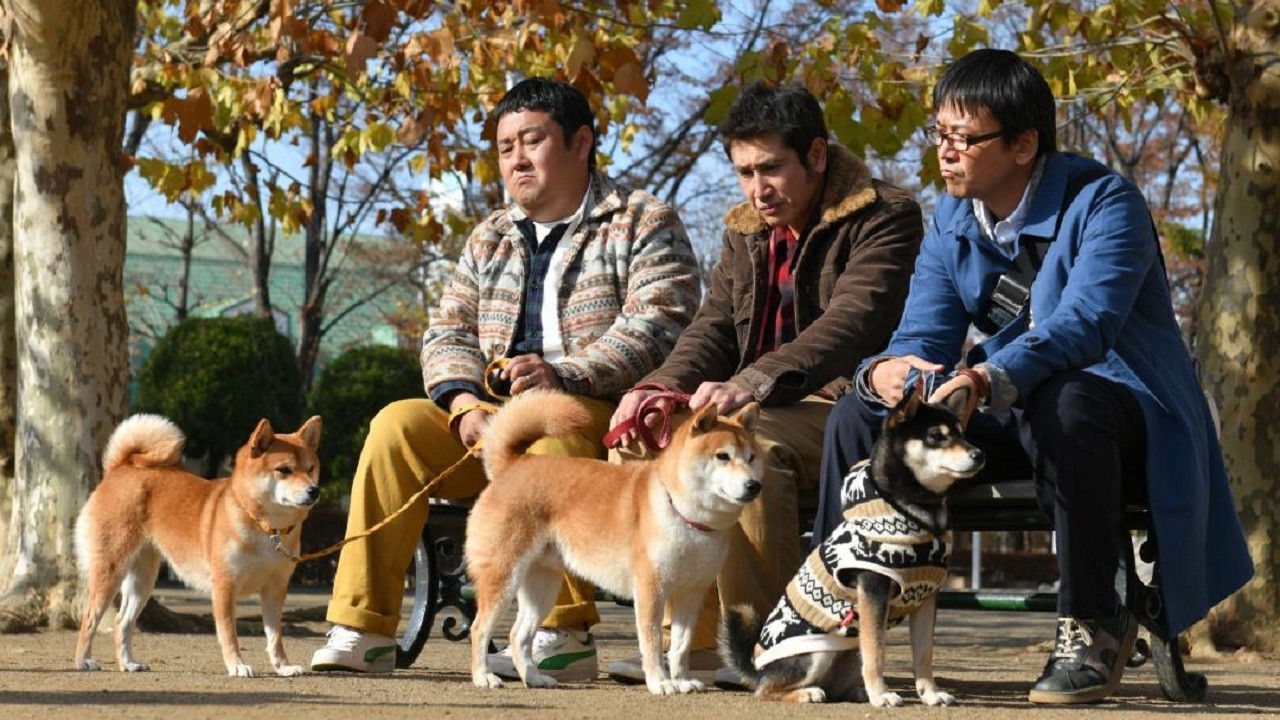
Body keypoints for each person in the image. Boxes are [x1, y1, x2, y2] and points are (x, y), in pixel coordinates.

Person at [815, 49, 1253, 704]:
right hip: (1018, 409)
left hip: (1128, 416)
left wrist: (985, 379)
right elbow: (921, 340)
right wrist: (882, 374)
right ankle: (838, 620)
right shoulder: (952, 221)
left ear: (1023, 144)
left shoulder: (1106, 202)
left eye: (964, 138)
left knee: (1068, 399)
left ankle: (1092, 627)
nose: (946, 152)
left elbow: (1083, 327)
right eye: (939, 134)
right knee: (860, 418)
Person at [308, 77, 702, 680]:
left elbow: (660, 323)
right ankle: (362, 627)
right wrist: (463, 402)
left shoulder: (642, 220)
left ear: (580, 143)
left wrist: (562, 373)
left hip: (596, 414)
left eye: (532, 140)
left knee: (554, 428)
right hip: (491, 422)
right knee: (396, 426)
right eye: (504, 146)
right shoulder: (489, 233)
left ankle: (559, 635)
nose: (516, 157)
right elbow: (447, 329)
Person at [604, 82, 924, 684]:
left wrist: (750, 382)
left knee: (755, 454)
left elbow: (851, 325)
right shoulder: (746, 231)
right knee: (643, 439)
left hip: (851, 406)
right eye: (744, 172)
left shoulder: (886, 216)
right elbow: (713, 326)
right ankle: (693, 645)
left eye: (771, 168)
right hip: (759, 403)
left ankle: (778, 649)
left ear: (819, 155)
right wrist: (657, 386)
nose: (758, 189)